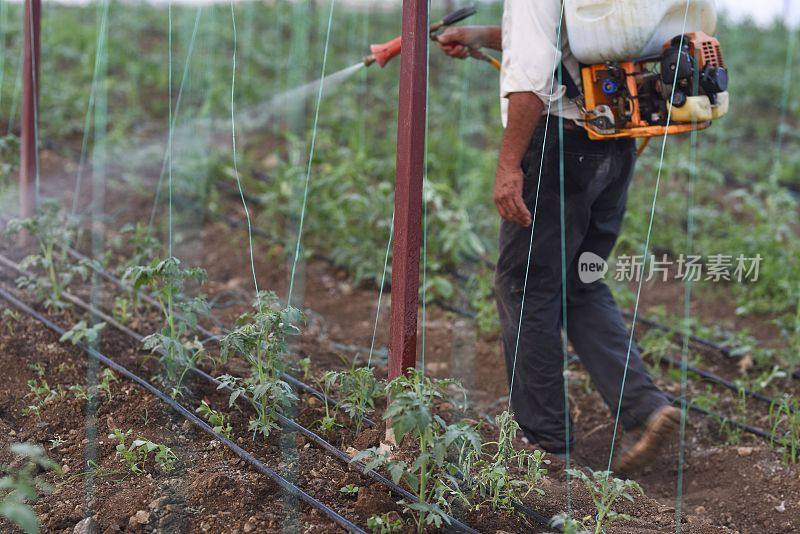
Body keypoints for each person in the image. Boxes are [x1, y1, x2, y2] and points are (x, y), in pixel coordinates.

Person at [436, 1, 680, 472]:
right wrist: (483, 36)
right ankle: (646, 408)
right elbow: (565, 42)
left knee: (525, 289)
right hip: (615, 143)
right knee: (580, 284)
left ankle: (545, 447)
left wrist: (509, 166)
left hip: (559, 146)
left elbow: (531, 79)